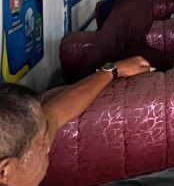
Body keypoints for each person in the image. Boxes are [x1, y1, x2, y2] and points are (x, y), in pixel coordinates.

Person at [0, 56, 150, 186]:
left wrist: (113, 70)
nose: (47, 146)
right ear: (4, 171)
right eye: (43, 144)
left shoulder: (15, 136)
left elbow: (59, 111)